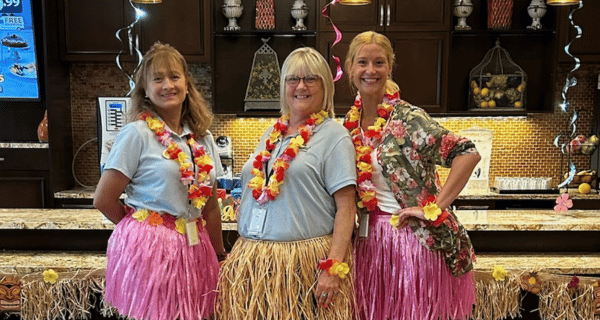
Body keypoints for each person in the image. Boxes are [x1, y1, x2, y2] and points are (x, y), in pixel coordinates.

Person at [343, 31, 481, 320]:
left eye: (379, 62)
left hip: (411, 241)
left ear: (390, 67)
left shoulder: (408, 118)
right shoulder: (349, 124)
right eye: (362, 62)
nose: (371, 70)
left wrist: (434, 208)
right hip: (369, 244)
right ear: (350, 68)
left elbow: (466, 153)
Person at [216, 47, 357, 320]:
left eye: (311, 79)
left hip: (303, 267)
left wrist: (332, 268)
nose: (300, 86)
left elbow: (347, 209)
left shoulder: (334, 137)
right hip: (255, 264)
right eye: (293, 79)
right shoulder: (272, 133)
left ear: (325, 86)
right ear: (283, 86)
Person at [93, 42, 226, 320]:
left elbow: (211, 207)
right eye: (158, 79)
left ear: (187, 84)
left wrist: (219, 255)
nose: (168, 85)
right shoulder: (137, 134)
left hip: (195, 245)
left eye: (175, 77)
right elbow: (103, 199)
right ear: (146, 90)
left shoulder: (203, 138)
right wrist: (140, 232)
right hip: (152, 251)